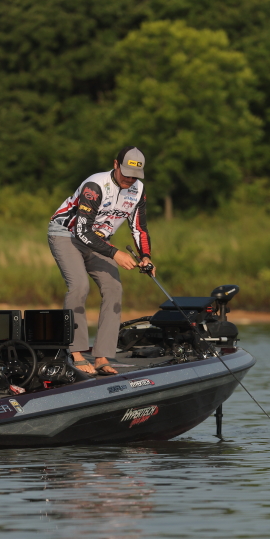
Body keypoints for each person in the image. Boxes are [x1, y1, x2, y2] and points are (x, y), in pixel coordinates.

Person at [48, 147, 155, 376]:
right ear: (116, 165)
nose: (130, 179)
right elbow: (82, 231)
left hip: (98, 240)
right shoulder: (95, 186)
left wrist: (145, 256)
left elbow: (139, 227)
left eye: (135, 176)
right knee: (79, 286)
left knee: (113, 288)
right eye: (126, 173)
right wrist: (115, 253)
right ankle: (75, 353)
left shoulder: (138, 190)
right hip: (66, 235)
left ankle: (102, 357)